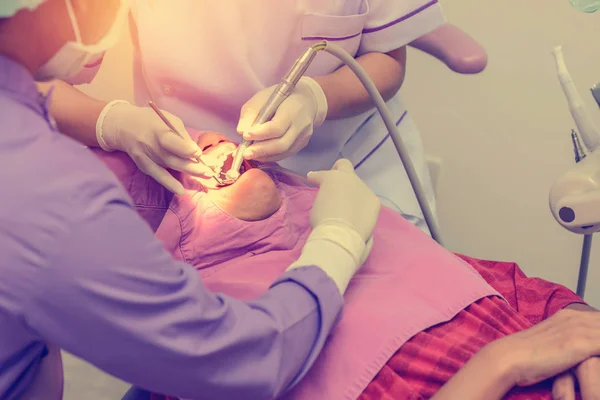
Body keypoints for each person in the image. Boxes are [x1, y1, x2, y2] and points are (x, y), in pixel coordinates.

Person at [0, 1, 383, 399]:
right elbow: (242, 362)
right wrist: (338, 242)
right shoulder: (52, 200)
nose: (219, 147)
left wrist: (315, 97)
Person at [95, 130, 600, 400]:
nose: (211, 140)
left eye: (199, 134)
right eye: (174, 163)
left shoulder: (353, 218)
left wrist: (579, 327)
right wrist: (499, 366)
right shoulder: (201, 338)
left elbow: (515, 287)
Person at [43, 0, 442, 233]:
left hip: (354, 165)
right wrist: (110, 121)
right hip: (189, 184)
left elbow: (388, 59)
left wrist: (315, 98)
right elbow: (30, 80)